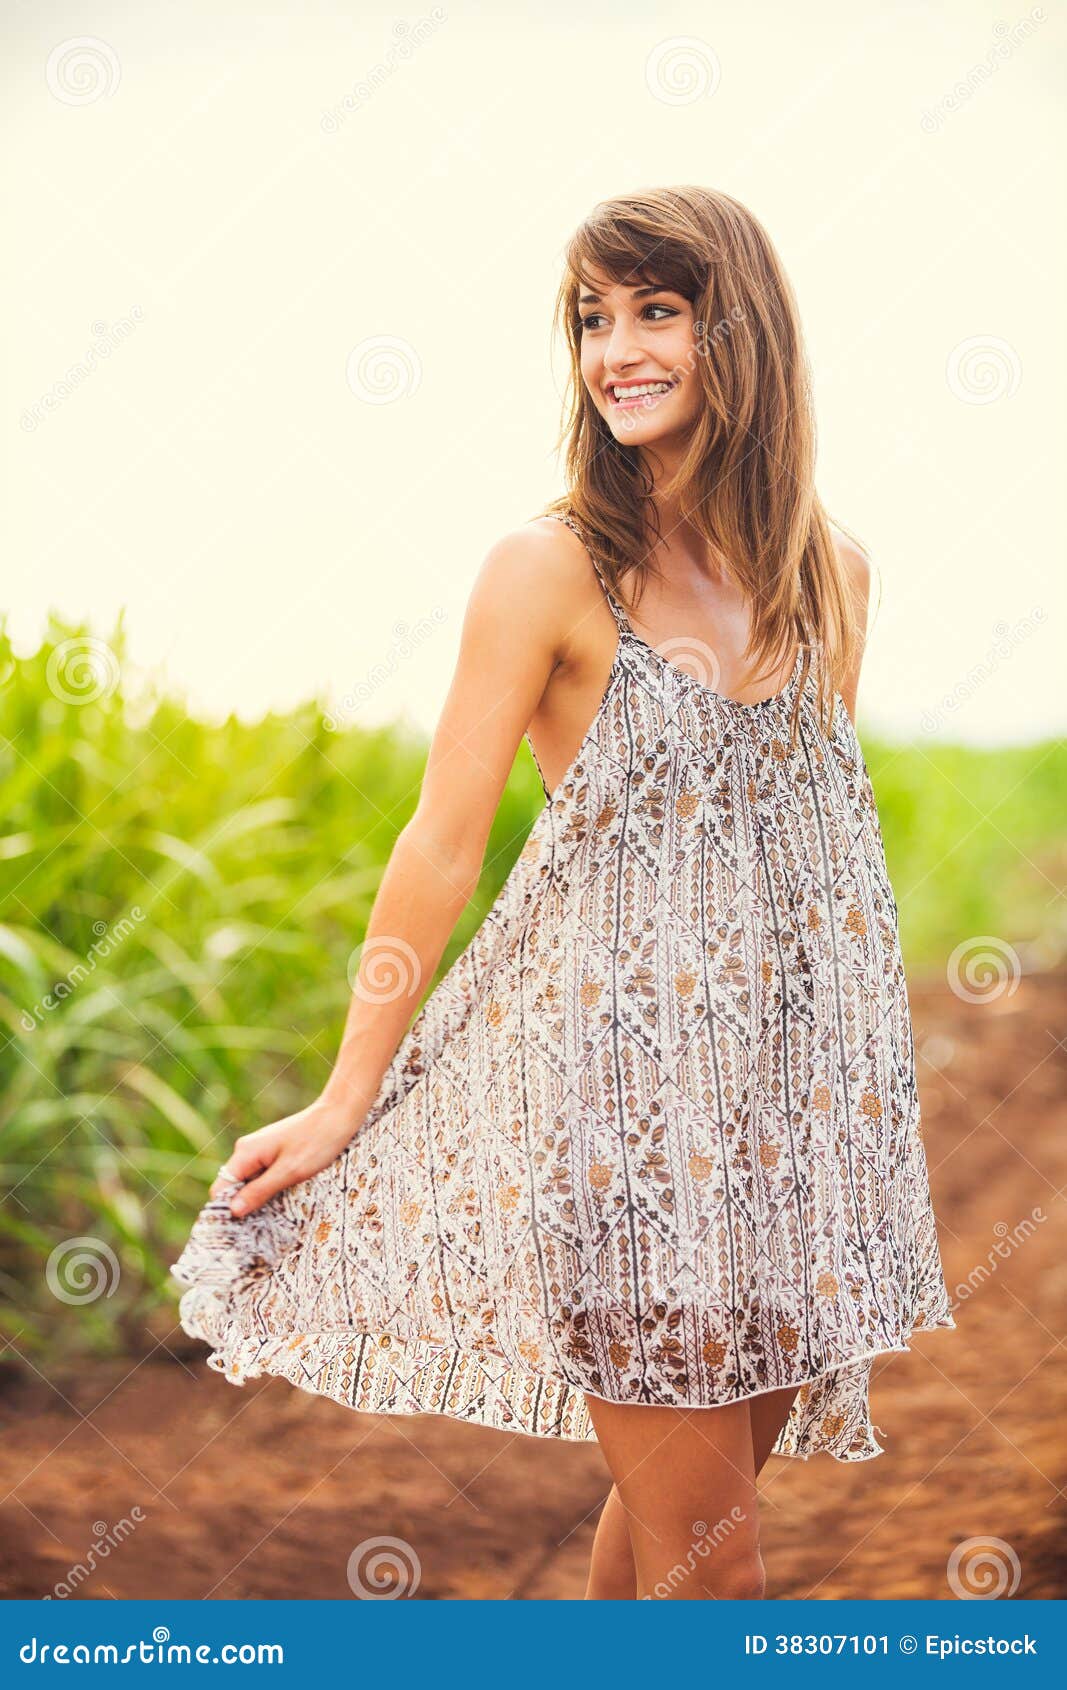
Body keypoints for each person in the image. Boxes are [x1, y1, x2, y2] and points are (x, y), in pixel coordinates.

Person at [170, 185, 956, 1602]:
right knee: (716, 1563)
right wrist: (351, 1092)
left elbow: (807, 864)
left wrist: (846, 1101)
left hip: (791, 1132)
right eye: (594, 317)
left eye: (658, 309)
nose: (617, 349)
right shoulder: (549, 570)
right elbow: (441, 844)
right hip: (619, 1133)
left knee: (678, 1525)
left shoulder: (831, 578)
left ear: (747, 331)